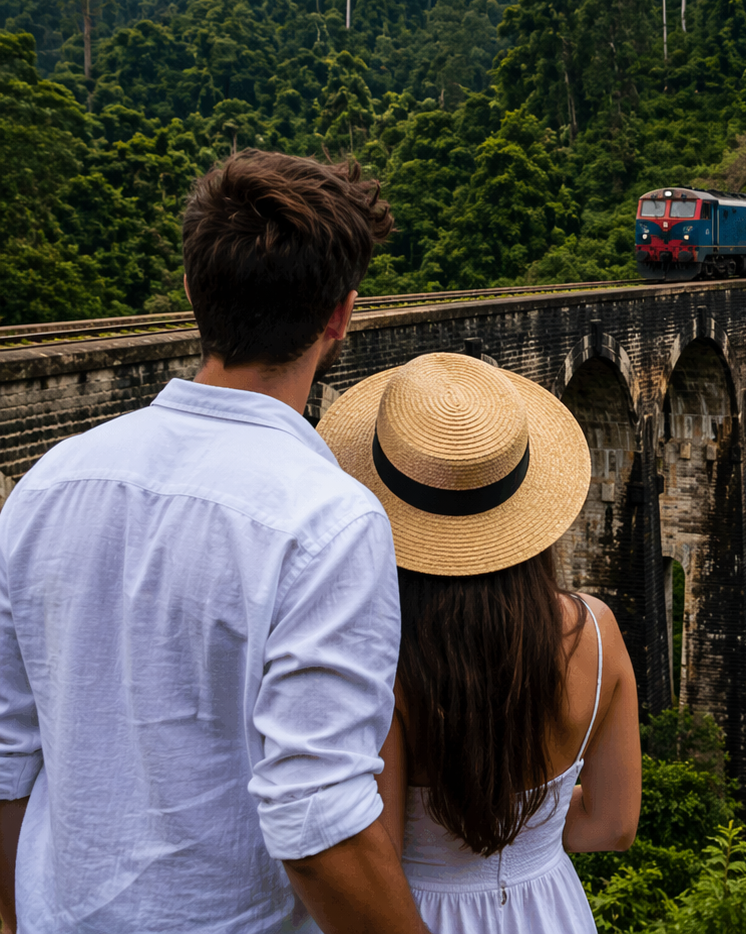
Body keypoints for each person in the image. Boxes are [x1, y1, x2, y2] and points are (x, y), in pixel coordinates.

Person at [0, 152, 428, 934]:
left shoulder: (47, 485)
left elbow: (5, 758)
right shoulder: (329, 522)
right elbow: (317, 821)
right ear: (340, 318)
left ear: (194, 291)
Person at [319, 352, 641, 934]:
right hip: (550, 910)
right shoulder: (596, 631)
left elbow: (378, 850)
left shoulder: (385, 659)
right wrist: (530, 831)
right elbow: (612, 826)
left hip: (415, 915)